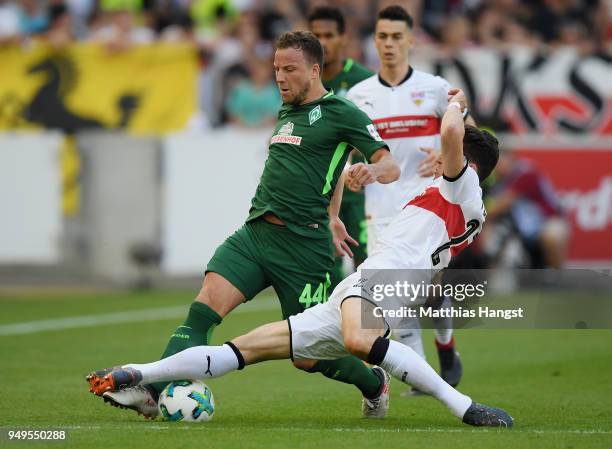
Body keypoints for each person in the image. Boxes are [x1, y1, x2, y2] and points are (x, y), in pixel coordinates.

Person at [87, 88, 513, 428]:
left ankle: (465, 407)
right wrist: (338, 206)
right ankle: (135, 373)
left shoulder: (465, 188)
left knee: (358, 341)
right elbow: (428, 153)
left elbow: (453, 134)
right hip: (365, 282)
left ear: (468, 164)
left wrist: (456, 103)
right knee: (246, 349)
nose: (437, 158)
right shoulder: (450, 194)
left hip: (388, 280)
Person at [94, 30, 400, 419]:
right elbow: (323, 169)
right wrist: (334, 213)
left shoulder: (342, 111)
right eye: (276, 69)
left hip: (304, 249)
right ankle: (151, 392)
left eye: (289, 69)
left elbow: (390, 164)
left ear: (314, 69)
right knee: (204, 309)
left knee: (308, 357)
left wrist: (370, 171)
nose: (280, 77)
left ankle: (374, 382)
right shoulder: (287, 110)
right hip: (255, 235)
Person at [347, 4, 476, 394]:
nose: (389, 44)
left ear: (410, 40)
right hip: (381, 211)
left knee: (432, 288)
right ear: (375, 40)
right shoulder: (358, 96)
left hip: (428, 206)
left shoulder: (435, 88)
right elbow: (349, 152)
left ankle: (447, 346)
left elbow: (470, 130)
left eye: (396, 37)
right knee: (395, 299)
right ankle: (424, 375)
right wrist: (351, 173)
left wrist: (448, 153)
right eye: (382, 37)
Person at [308, 6, 374, 288]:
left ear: (343, 38)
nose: (323, 42)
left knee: (367, 262)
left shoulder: (365, 81)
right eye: (316, 35)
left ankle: (372, 326)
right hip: (318, 190)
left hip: (358, 190)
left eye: (329, 35)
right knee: (323, 263)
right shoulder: (305, 82)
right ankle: (331, 324)